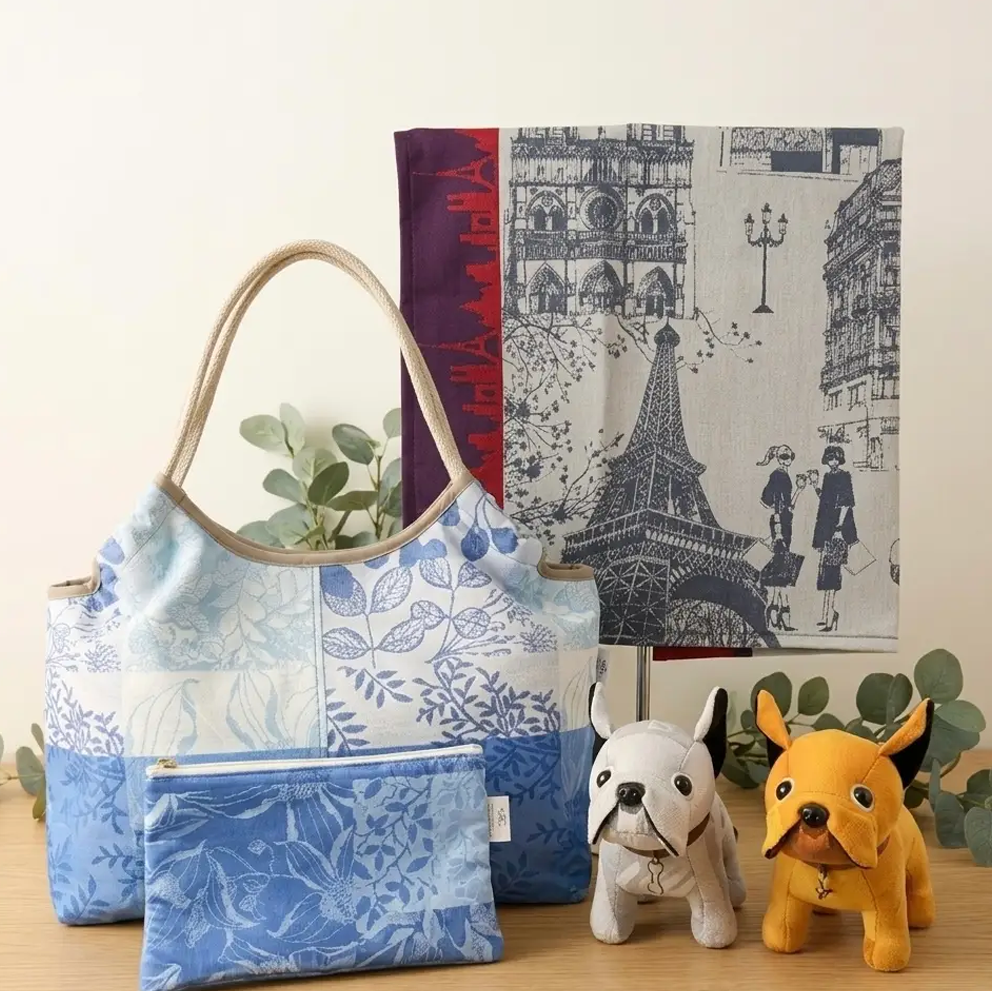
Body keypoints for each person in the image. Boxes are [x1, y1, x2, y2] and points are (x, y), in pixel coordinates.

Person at [756, 444, 806, 631]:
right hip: (780, 524)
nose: (788, 460)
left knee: (781, 566)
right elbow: (775, 504)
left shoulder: (784, 476)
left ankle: (775, 611)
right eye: (784, 457)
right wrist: (777, 531)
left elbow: (788, 506)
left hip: (785, 522)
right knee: (782, 567)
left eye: (789, 456)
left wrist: (799, 490)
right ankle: (781, 611)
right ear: (778, 458)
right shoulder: (778, 476)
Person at [810, 445, 858, 631]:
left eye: (836, 458)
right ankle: (825, 615)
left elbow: (847, 504)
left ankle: (830, 616)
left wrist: (839, 528)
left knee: (832, 572)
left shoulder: (844, 476)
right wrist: (815, 486)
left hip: (838, 530)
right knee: (825, 571)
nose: (834, 462)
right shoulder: (827, 477)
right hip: (826, 530)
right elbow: (826, 501)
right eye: (830, 458)